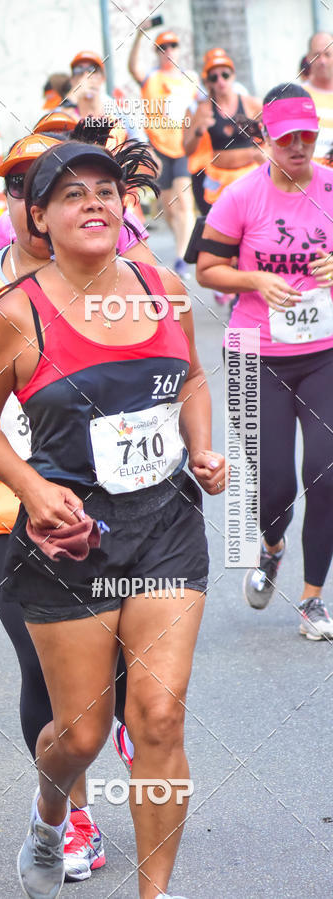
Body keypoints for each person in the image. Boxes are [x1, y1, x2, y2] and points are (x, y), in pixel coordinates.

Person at [0, 138, 225, 899]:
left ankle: (155, 892)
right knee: (78, 733)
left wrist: (201, 447)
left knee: (159, 717)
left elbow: (195, 378)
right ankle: (50, 812)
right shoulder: (15, 313)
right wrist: (32, 489)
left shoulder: (160, 287)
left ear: (124, 206)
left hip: (167, 525)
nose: (94, 203)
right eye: (72, 194)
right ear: (38, 216)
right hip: (69, 542)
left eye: (106, 190)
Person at [196, 84, 333, 640]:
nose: (299, 146)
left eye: (308, 135)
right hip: (257, 354)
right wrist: (254, 279)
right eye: (287, 138)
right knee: (274, 484)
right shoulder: (241, 196)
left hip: (325, 351)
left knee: (325, 472)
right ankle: (272, 544)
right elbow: (207, 269)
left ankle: (312, 600)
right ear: (267, 141)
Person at [0, 117, 158, 265]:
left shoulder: (115, 219)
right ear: (6, 196)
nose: (33, 196)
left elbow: (151, 285)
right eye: (19, 184)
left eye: (47, 181)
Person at [183, 48, 262, 305]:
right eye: (213, 77)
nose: (220, 81)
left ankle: (243, 281)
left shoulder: (250, 103)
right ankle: (226, 280)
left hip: (250, 177)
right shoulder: (202, 110)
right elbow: (186, 148)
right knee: (223, 232)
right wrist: (198, 131)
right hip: (218, 181)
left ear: (233, 75)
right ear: (208, 81)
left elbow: (269, 138)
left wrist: (264, 157)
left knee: (249, 231)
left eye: (224, 74)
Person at [129, 21, 198, 278]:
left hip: (184, 148)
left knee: (184, 202)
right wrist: (139, 35)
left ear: (178, 50)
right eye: (162, 47)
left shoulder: (190, 79)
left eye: (172, 46)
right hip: (158, 148)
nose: (168, 50)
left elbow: (202, 108)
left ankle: (183, 257)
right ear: (157, 52)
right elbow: (132, 68)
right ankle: (182, 247)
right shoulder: (151, 78)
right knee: (169, 206)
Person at [305, 32, 333, 163]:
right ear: (308, 57)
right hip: (310, 175)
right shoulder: (299, 95)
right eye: (316, 55)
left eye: (327, 54)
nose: (322, 61)